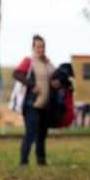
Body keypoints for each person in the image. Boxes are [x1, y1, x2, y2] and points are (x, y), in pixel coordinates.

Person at [13, 35, 60, 165]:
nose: (41, 49)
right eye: (38, 46)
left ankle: (41, 159)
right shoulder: (28, 60)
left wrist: (57, 83)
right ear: (33, 47)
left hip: (45, 103)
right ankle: (23, 160)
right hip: (30, 103)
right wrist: (32, 85)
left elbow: (55, 77)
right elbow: (16, 73)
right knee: (31, 132)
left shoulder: (48, 62)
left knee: (42, 133)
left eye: (43, 46)